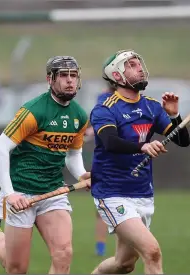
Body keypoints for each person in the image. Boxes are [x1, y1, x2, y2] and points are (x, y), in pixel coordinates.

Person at [0, 56, 91, 274]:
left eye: (73, 75)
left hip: (53, 191)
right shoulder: (34, 111)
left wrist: (81, 174)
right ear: (50, 79)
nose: (70, 81)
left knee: (64, 254)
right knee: (16, 268)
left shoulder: (79, 115)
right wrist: (9, 194)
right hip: (21, 193)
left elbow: (73, 154)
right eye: (63, 75)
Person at [89, 49, 190, 274]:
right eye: (132, 65)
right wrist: (142, 146)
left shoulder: (151, 107)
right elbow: (109, 142)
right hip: (112, 193)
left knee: (123, 264)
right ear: (117, 76)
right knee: (152, 252)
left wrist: (174, 116)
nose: (140, 68)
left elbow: (183, 141)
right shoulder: (105, 108)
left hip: (142, 193)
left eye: (139, 63)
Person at [84, 83, 115, 257]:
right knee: (102, 207)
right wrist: (90, 130)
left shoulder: (131, 98)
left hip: (122, 161)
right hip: (104, 161)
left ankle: (121, 251)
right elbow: (98, 121)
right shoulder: (102, 98)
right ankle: (101, 247)